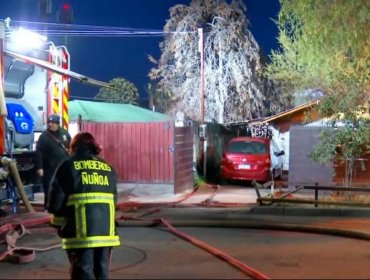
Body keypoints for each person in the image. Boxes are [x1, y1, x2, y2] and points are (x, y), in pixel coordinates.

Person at [47, 132, 120, 279]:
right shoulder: (108, 168)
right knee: (102, 272)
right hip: (107, 234)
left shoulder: (68, 165)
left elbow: (55, 203)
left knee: (83, 272)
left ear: (73, 147)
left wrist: (58, 224)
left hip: (81, 234)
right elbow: (114, 200)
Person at [35, 114, 71, 208]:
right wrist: (40, 167)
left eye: (53, 122)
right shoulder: (44, 136)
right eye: (49, 122)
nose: (50, 124)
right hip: (49, 168)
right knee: (49, 188)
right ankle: (48, 207)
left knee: (64, 187)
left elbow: (70, 147)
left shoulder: (64, 133)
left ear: (57, 123)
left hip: (63, 167)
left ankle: (63, 206)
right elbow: (38, 152)